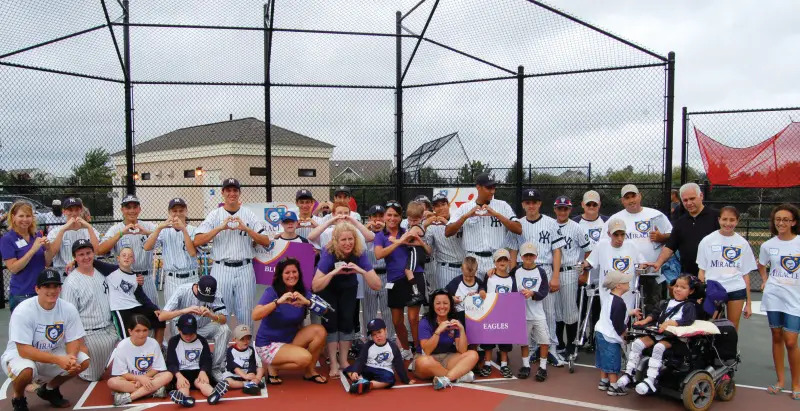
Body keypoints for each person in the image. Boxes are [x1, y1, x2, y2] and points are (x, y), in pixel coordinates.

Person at [2, 269, 90, 410]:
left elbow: (73, 340)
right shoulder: (23, 310)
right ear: (37, 289)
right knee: (26, 371)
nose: (52, 290)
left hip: (51, 352)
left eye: (55, 286)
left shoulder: (68, 308)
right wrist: (59, 360)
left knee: (82, 361)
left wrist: (71, 358)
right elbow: (23, 350)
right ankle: (18, 397)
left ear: (60, 288)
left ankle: (49, 390)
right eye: (47, 286)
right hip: (20, 356)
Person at [194, 178, 271, 329]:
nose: (232, 193)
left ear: (239, 193)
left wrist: (247, 229)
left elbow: (266, 241)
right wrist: (219, 228)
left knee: (245, 312)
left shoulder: (248, 214)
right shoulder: (215, 215)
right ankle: (223, 351)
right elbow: (197, 240)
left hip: (245, 268)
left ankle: (245, 350)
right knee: (222, 312)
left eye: (235, 190)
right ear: (222, 193)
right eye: (228, 190)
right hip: (221, 268)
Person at [505, 188, 566, 366]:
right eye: (527, 202)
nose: (531, 205)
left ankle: (552, 349)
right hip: (523, 272)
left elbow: (557, 251)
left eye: (534, 202)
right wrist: (513, 274)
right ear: (523, 204)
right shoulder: (518, 224)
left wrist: (555, 276)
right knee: (527, 313)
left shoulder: (551, 223)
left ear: (539, 203)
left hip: (544, 269)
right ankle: (532, 349)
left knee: (548, 312)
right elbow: (513, 251)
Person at [313, 222, 381, 376]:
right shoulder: (328, 253)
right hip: (328, 288)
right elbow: (316, 285)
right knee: (331, 323)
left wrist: (360, 270)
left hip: (349, 287)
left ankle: (343, 359)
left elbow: (377, 284)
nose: (348, 243)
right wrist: (333, 273)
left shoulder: (359, 253)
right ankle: (333, 363)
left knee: (346, 321)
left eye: (351, 239)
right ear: (336, 241)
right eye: (343, 240)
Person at [617, 275, 698, 395]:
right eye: (676, 286)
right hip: (658, 333)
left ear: (691, 291)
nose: (678, 289)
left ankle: (650, 379)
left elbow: (689, 321)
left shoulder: (689, 306)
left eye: (683, 287)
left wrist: (672, 322)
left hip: (675, 338)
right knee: (637, 343)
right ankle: (630, 373)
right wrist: (644, 321)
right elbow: (654, 314)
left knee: (658, 347)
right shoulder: (666, 302)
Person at [253, 258, 328, 384]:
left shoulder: (302, 291)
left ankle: (310, 372)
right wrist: (277, 302)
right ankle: (272, 365)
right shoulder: (272, 292)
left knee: (319, 331)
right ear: (280, 275)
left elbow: (325, 309)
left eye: (294, 271)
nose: (292, 275)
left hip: (289, 340)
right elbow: (255, 315)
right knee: (305, 358)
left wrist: (307, 302)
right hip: (268, 344)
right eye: (287, 273)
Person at [604, 184, 672, 314]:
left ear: (640, 196)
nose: (631, 200)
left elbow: (672, 238)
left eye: (633, 196)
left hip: (652, 272)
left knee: (652, 310)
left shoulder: (656, 215)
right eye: (627, 197)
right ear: (622, 201)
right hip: (624, 274)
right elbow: (605, 244)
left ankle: (649, 334)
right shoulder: (615, 219)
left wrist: (662, 237)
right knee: (626, 310)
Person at [60, 239, 119, 382]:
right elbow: (69, 318)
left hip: (111, 329)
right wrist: (80, 344)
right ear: (75, 258)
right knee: (92, 377)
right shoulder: (71, 282)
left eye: (88, 253)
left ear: (94, 253)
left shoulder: (102, 273)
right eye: (81, 254)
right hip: (90, 334)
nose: (86, 257)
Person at [758, 203, 800, 399]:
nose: (781, 223)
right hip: (774, 296)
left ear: (793, 222)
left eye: (785, 219)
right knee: (776, 336)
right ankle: (781, 381)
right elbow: (761, 265)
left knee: (791, 341)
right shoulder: (768, 245)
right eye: (778, 219)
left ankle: (797, 384)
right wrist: (765, 280)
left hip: (795, 299)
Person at [446, 173, 522, 277]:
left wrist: (497, 215)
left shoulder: (502, 205)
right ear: (478, 187)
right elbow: (448, 232)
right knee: (473, 293)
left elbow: (518, 229)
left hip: (497, 258)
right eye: (488, 188)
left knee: (496, 293)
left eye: (494, 187)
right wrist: (466, 216)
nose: (492, 191)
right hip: (472, 260)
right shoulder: (465, 207)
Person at [373, 201, 422, 361]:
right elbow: (379, 254)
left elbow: (420, 230)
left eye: (396, 215)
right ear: (384, 216)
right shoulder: (380, 235)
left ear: (401, 217)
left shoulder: (407, 230)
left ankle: (419, 350)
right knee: (396, 320)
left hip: (412, 277)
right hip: (393, 280)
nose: (392, 218)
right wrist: (398, 243)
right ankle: (406, 349)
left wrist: (402, 238)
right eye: (389, 215)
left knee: (413, 318)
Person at [695, 206, 757, 330]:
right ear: (719, 220)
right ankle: (714, 350)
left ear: (737, 221)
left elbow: (745, 274)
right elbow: (702, 271)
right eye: (724, 219)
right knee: (712, 326)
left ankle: (730, 350)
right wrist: (701, 294)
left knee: (732, 327)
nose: (728, 223)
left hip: (736, 289)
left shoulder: (743, 243)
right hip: (713, 289)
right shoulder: (707, 241)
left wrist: (748, 303)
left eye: (732, 220)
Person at [158, 276, 230, 380]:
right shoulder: (182, 290)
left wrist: (211, 315)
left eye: (207, 298)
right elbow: (162, 316)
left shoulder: (215, 293)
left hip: (202, 328)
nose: (204, 300)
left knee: (224, 329)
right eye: (201, 296)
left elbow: (224, 319)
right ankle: (180, 369)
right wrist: (184, 311)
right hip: (182, 330)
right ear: (196, 286)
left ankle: (215, 368)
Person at [411, 289, 479, 390]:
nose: (442, 306)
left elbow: (462, 350)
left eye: (445, 303)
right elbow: (427, 351)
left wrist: (461, 329)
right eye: (438, 303)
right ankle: (458, 376)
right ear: (433, 305)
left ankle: (446, 379)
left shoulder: (453, 321)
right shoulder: (425, 322)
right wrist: (438, 331)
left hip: (447, 357)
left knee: (473, 354)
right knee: (424, 362)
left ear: (450, 305)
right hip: (427, 358)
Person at [649, 182, 720, 277]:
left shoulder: (717, 217)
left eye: (692, 198)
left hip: (714, 274)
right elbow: (670, 247)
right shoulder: (680, 222)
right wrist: (658, 263)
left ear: (701, 196)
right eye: (685, 200)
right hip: (689, 276)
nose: (689, 203)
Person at [99, 194, 159, 304]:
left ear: (139, 209)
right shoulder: (116, 229)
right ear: (122, 209)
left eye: (134, 207)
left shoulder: (148, 226)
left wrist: (147, 232)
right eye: (128, 207)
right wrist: (121, 234)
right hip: (124, 278)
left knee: (152, 315)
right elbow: (100, 250)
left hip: (146, 277)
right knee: (129, 315)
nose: (132, 211)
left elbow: (163, 234)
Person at [552, 195, 592, 358]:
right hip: (553, 270)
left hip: (569, 270)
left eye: (565, 208)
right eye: (559, 208)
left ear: (570, 210)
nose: (562, 211)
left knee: (569, 309)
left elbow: (589, 250)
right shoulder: (549, 225)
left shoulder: (576, 227)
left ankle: (570, 346)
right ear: (555, 209)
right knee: (556, 310)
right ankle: (559, 344)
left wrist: (585, 271)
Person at [594, 270, 642, 396]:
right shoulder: (619, 303)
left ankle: (603, 381)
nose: (628, 283)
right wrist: (624, 335)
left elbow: (614, 314)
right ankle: (614, 386)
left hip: (600, 332)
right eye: (625, 281)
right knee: (612, 361)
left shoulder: (610, 298)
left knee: (604, 358)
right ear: (618, 286)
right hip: (610, 336)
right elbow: (618, 323)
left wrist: (631, 312)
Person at [107, 315, 172, 406]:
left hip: (150, 378)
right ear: (130, 331)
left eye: (145, 330)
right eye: (137, 331)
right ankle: (153, 391)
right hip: (132, 381)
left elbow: (157, 368)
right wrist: (139, 378)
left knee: (168, 375)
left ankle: (129, 397)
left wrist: (144, 378)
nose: (142, 334)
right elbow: (123, 373)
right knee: (112, 382)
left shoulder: (153, 343)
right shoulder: (122, 346)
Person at [166, 314, 229, 407]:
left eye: (191, 334)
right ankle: (183, 398)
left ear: (195, 330)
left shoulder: (202, 341)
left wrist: (203, 371)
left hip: (198, 373)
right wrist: (178, 375)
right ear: (179, 330)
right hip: (181, 373)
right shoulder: (173, 341)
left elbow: (206, 360)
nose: (188, 336)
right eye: (184, 333)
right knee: (183, 386)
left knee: (202, 383)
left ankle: (214, 394)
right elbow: (170, 362)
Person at [143, 197, 198, 304]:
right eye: (174, 211)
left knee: (193, 314)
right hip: (172, 279)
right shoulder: (164, 231)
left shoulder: (193, 230)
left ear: (186, 211)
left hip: (191, 276)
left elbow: (192, 253)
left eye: (181, 210)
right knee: (173, 316)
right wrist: (159, 228)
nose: (178, 213)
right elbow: (147, 247)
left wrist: (183, 229)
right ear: (169, 212)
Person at [572, 190, 609, 350]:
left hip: (600, 273)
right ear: (583, 205)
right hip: (580, 271)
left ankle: (595, 338)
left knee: (598, 307)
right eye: (589, 204)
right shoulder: (574, 222)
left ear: (599, 205)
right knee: (579, 305)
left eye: (595, 204)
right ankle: (580, 335)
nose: (592, 207)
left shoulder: (607, 222)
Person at [107, 247, 166, 344]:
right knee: (126, 337)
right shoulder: (110, 270)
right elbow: (94, 263)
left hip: (135, 305)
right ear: (118, 258)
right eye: (124, 255)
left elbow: (140, 295)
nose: (127, 258)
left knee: (160, 318)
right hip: (120, 308)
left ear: (133, 260)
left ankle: (158, 349)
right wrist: (74, 262)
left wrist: (154, 308)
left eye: (130, 256)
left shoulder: (136, 276)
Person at [583, 218, 645, 311]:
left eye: (622, 234)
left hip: (626, 290)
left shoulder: (631, 245)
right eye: (616, 235)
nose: (619, 238)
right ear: (609, 234)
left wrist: (641, 266)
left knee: (625, 317)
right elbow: (589, 262)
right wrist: (581, 265)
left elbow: (642, 263)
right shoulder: (602, 245)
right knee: (609, 317)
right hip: (608, 291)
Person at [2, 201, 53, 312]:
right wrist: (33, 250)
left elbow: (47, 263)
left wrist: (48, 248)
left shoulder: (37, 235)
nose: (25, 219)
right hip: (22, 294)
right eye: (21, 216)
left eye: (28, 216)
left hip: (41, 291)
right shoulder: (7, 239)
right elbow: (13, 268)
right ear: (13, 217)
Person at [510, 242, 550, 381]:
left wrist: (533, 293)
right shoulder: (516, 271)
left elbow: (544, 291)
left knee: (544, 340)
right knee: (524, 342)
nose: (528, 258)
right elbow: (510, 287)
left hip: (538, 313)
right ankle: (526, 365)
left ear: (536, 256)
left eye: (531, 255)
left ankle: (543, 367)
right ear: (521, 256)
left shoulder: (541, 272)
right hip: (523, 314)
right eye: (526, 255)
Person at [345, 318, 414, 394]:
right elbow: (361, 359)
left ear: (385, 331)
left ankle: (369, 385)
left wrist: (406, 379)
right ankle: (359, 379)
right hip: (368, 368)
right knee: (348, 369)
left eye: (379, 332)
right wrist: (355, 371)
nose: (378, 336)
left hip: (383, 370)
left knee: (390, 379)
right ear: (371, 336)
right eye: (374, 334)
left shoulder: (393, 347)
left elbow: (399, 364)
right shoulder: (368, 345)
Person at [478, 249, 515, 378]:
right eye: (499, 260)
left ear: (509, 262)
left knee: (505, 341)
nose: (502, 262)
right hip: (490, 314)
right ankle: (487, 363)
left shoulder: (512, 279)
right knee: (488, 341)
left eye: (505, 259)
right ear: (494, 262)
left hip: (505, 315)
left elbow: (515, 297)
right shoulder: (489, 276)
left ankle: (504, 365)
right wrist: (482, 291)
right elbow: (482, 287)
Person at [362, 205, 395, 340]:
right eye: (374, 216)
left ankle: (390, 338)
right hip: (369, 275)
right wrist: (365, 229)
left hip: (386, 275)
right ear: (369, 218)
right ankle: (370, 339)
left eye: (380, 216)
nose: (377, 220)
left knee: (388, 310)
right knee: (369, 311)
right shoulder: (363, 235)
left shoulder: (389, 234)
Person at [46, 197, 100, 278]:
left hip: (86, 271)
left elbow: (96, 251)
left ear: (81, 210)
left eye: (77, 210)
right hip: (63, 273)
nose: (74, 213)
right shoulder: (56, 231)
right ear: (64, 211)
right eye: (70, 210)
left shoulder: (90, 230)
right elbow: (52, 253)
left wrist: (89, 227)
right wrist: (63, 230)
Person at [425, 192, 466, 291]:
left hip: (465, 267)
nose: (441, 208)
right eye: (437, 206)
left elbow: (461, 231)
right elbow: (428, 251)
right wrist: (424, 226)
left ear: (449, 205)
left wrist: (447, 223)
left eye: (443, 204)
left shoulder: (458, 219)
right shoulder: (431, 226)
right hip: (445, 268)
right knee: (446, 300)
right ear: (433, 209)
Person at [401, 201, 432, 306]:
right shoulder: (415, 225)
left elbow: (406, 238)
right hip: (418, 252)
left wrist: (395, 241)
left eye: (416, 220)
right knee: (412, 271)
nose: (413, 222)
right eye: (410, 220)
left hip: (416, 251)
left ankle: (417, 293)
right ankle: (422, 291)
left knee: (408, 270)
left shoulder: (416, 227)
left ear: (421, 218)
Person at [224, 325, 264, 396]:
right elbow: (234, 367)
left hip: (248, 373)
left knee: (260, 368)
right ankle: (247, 384)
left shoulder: (250, 350)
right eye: (242, 339)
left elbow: (252, 363)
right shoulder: (230, 350)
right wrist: (245, 376)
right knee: (228, 382)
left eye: (248, 338)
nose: (246, 341)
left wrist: (251, 373)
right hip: (235, 374)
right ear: (235, 340)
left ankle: (255, 381)